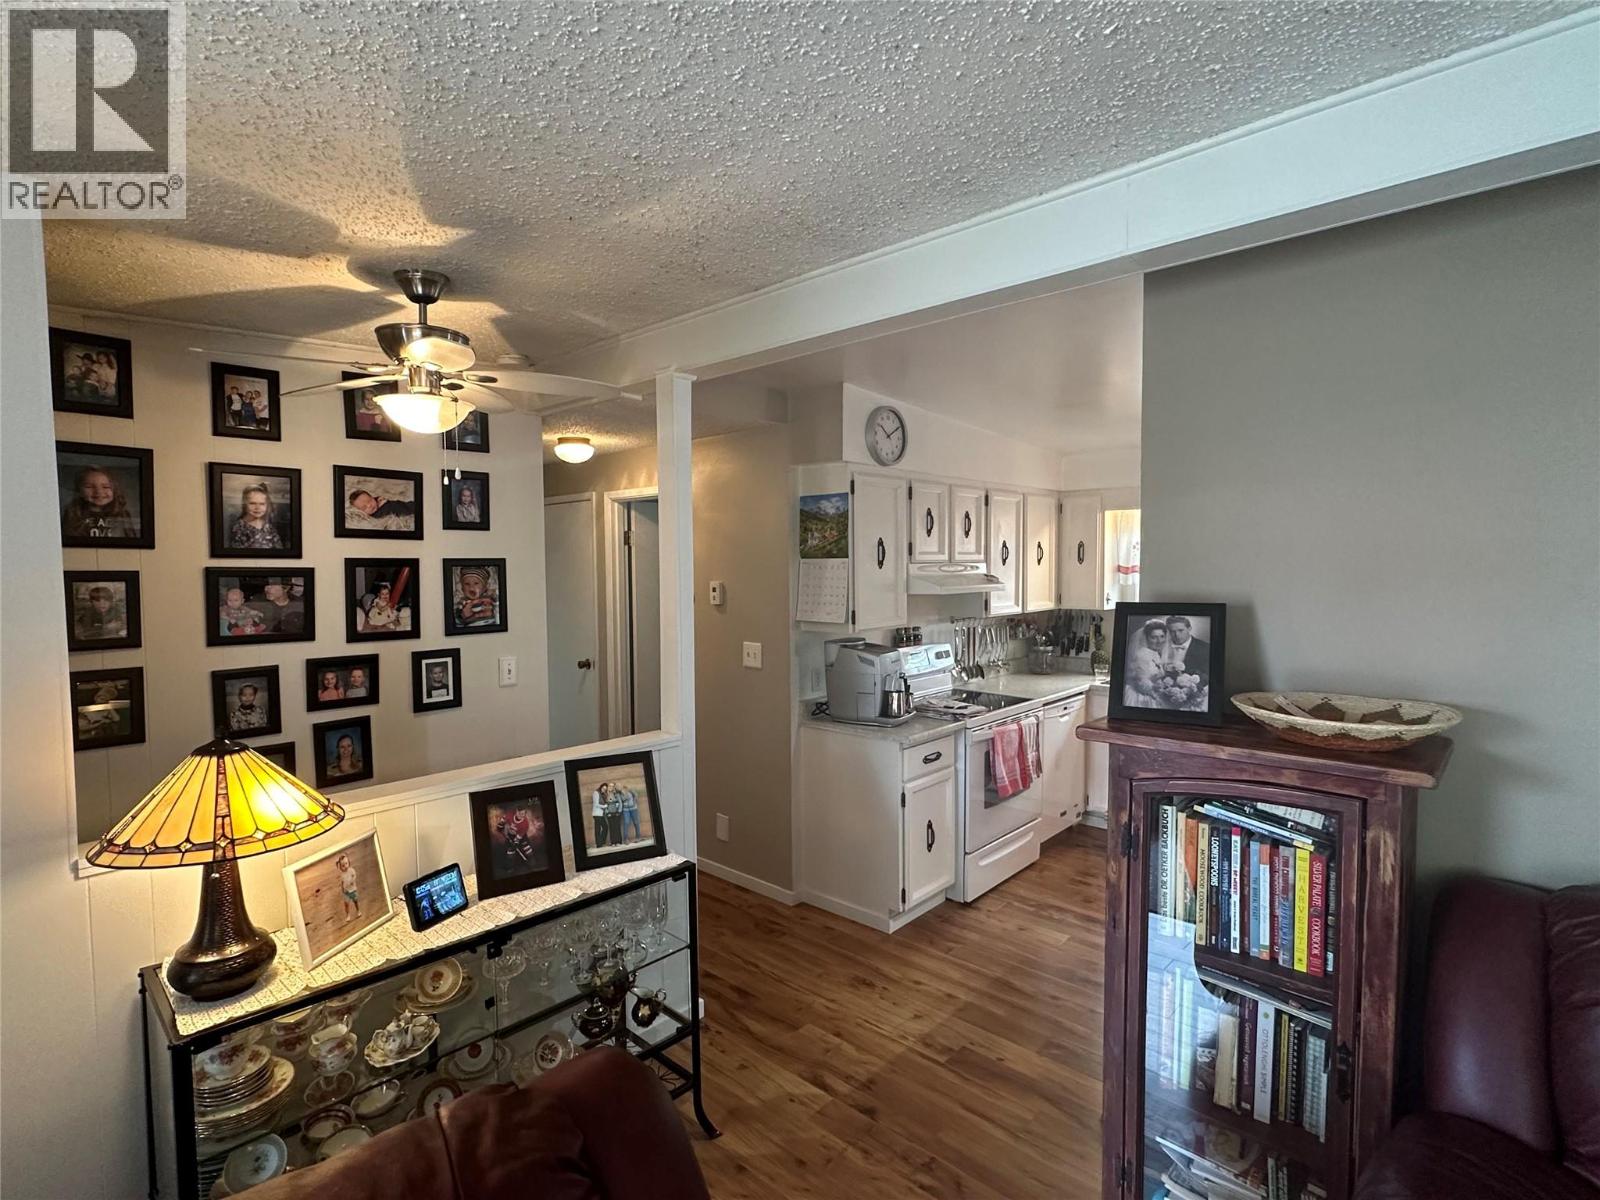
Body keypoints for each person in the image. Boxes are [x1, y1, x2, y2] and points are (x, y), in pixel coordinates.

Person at [62, 465, 136, 539]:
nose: (99, 492)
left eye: (106, 487)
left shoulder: (122, 514)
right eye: (89, 487)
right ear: (79, 491)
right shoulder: (72, 514)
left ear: (115, 490)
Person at [1123, 619, 1169, 709]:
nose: (1159, 641)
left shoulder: (1155, 653)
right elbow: (1141, 682)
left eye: (1162, 636)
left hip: (1153, 692)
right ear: (1146, 638)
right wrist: (1159, 696)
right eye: (1154, 637)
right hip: (1141, 697)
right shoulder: (1142, 655)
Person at [229, 483, 283, 551]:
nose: (257, 508)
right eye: (252, 503)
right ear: (244, 504)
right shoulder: (238, 528)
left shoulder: (269, 527)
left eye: (262, 504)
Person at [1164, 616, 1211, 684]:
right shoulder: (1163, 647)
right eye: (1172, 631)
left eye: (1180, 630)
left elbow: (1208, 675)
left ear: (1189, 629)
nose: (1177, 635)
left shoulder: (1205, 648)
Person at [347, 489, 415, 527]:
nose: (369, 505)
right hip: (404, 510)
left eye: (369, 500)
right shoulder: (376, 516)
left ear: (372, 497)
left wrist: (378, 499)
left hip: (405, 506)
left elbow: (376, 499)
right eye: (364, 507)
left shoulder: (377, 501)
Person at [336, 852, 361, 921]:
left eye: (346, 863)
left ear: (349, 863)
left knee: (355, 901)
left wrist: (352, 880)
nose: (345, 866)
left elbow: (354, 876)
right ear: (340, 867)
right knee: (346, 904)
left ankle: (358, 911)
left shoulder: (351, 870)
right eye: (343, 865)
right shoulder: (342, 874)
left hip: (353, 890)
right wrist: (342, 889)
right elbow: (342, 882)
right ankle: (348, 915)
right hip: (346, 891)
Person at [591, 783, 610, 848]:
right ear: (601, 787)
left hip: (601, 814)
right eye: (603, 788)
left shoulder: (603, 794)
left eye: (605, 789)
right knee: (598, 829)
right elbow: (596, 804)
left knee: (605, 827)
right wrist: (604, 806)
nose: (604, 790)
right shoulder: (596, 793)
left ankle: (601, 842)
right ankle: (599, 844)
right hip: (596, 813)